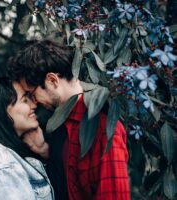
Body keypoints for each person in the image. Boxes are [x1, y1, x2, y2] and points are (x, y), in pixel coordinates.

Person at [8, 40, 130, 200]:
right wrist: (46, 152)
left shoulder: (103, 130)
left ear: (52, 80)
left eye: (31, 94)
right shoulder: (59, 124)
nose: (34, 102)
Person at [0, 77, 53, 200]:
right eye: (24, 100)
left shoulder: (8, 154)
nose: (34, 105)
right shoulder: (1, 168)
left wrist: (43, 150)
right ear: (3, 110)